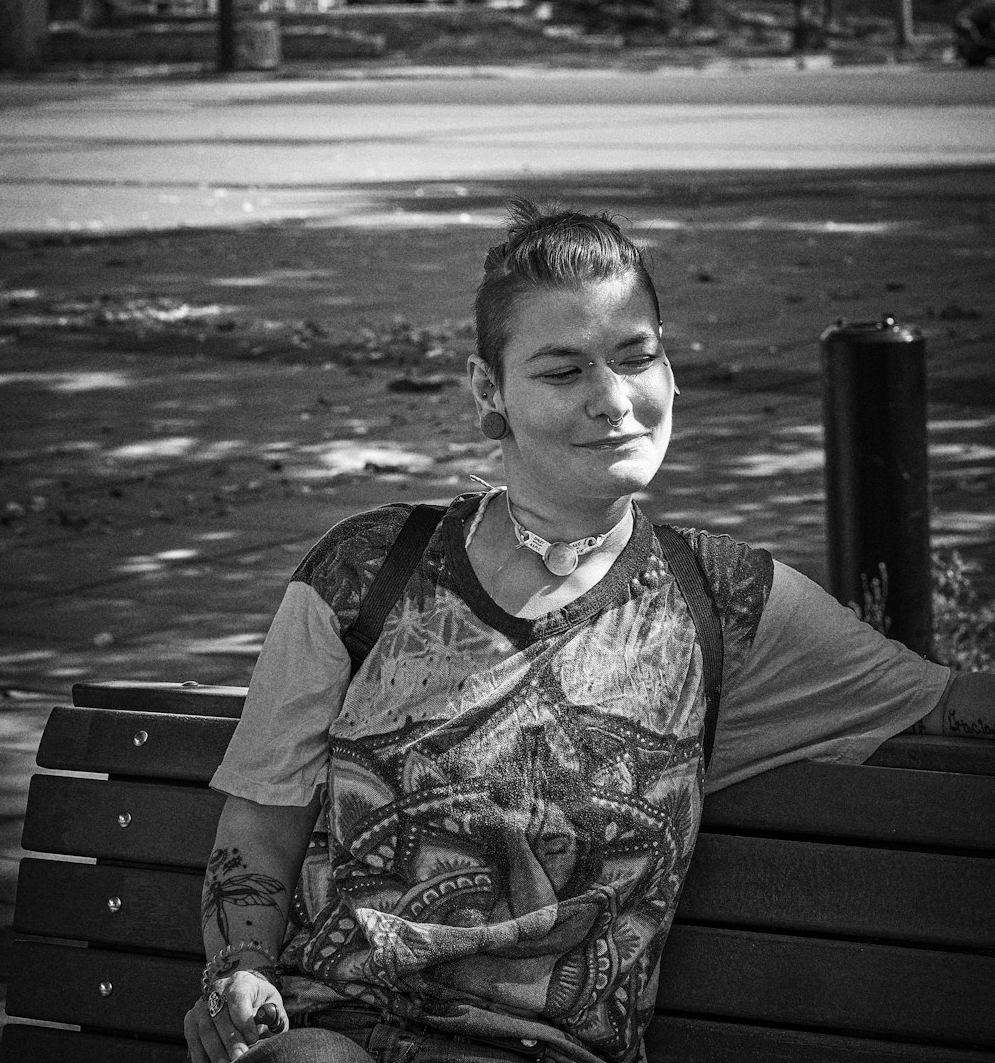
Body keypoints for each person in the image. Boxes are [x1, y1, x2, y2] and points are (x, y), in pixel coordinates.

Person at [184, 201, 994, 1063]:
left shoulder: (723, 603)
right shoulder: (363, 572)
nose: (613, 401)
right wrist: (238, 972)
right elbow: (261, 822)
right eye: (562, 371)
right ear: (488, 391)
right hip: (330, 1030)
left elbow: (947, 705)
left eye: (637, 357)